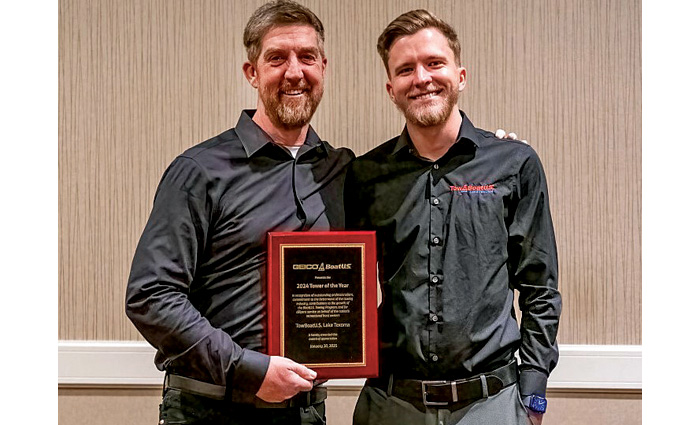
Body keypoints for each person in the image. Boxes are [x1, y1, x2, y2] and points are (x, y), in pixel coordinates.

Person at [125, 1, 353, 424]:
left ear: (324, 66)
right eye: (276, 58)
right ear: (251, 72)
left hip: (306, 414)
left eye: (306, 57)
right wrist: (249, 370)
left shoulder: (343, 171)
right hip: (210, 410)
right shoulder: (200, 170)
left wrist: (490, 156)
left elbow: (418, 191)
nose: (294, 72)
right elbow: (150, 296)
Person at [345, 9, 561, 425]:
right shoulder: (364, 176)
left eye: (434, 63)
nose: (422, 78)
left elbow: (540, 287)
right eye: (406, 69)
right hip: (391, 404)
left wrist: (532, 394)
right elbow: (335, 277)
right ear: (391, 88)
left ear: (460, 75)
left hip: (492, 402)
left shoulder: (513, 163)